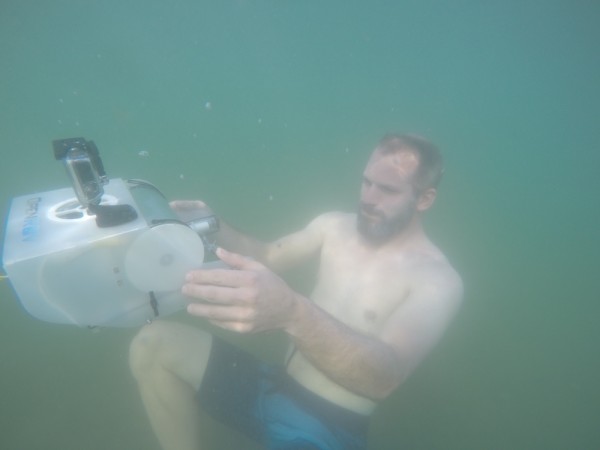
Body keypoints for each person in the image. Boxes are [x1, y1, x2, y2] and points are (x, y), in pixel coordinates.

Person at [129, 133, 463, 450]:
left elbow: (384, 378)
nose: (368, 198)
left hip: (329, 427)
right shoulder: (334, 225)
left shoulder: (437, 281)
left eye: (387, 190)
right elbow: (267, 256)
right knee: (152, 344)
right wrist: (212, 223)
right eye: (367, 182)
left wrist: (292, 312)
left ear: (424, 198)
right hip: (269, 386)